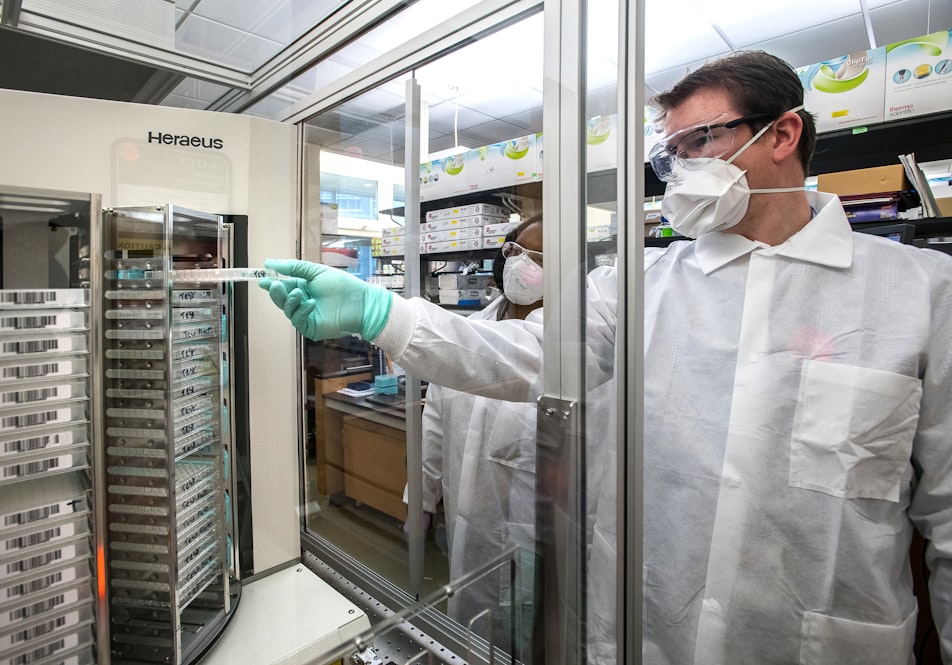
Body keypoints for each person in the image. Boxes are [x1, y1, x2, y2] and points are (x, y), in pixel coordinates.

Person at [262, 50, 952, 664]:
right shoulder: (633, 285)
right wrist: (383, 314)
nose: (681, 169)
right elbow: (517, 355)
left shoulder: (919, 293)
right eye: (670, 155)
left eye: (701, 140)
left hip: (816, 638)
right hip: (648, 625)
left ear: (784, 133)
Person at [414, 216, 543, 655]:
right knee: (473, 622)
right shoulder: (473, 330)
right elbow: (434, 419)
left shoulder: (577, 344)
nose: (524, 265)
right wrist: (422, 498)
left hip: (536, 529)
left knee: (532, 632)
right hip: (468, 513)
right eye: (517, 252)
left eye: (541, 258)